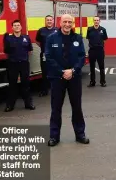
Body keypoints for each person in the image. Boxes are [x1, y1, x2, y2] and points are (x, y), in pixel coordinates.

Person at [45, 14, 89, 147]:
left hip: (74, 78)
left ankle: (80, 134)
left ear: (73, 23)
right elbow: (48, 56)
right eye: (65, 21)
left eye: (70, 22)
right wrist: (62, 71)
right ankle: (54, 136)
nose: (67, 24)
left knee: (77, 107)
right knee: (56, 108)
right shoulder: (51, 38)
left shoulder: (77, 38)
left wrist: (73, 70)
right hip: (57, 78)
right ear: (60, 22)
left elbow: (82, 56)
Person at [3, 19, 35, 112]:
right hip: (13, 64)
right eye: (15, 25)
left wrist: (23, 58)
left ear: (21, 27)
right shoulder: (8, 38)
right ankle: (10, 105)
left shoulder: (26, 37)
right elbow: (6, 51)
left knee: (26, 84)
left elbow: (30, 50)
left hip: (24, 64)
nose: (17, 27)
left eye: (18, 25)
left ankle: (28, 104)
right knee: (12, 85)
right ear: (12, 28)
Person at [36, 15, 58, 96]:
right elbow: (38, 42)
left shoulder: (57, 30)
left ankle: (56, 90)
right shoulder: (41, 30)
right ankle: (44, 91)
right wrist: (45, 48)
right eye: (47, 20)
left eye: (50, 20)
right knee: (45, 73)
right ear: (45, 21)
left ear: (53, 21)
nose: (49, 21)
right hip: (44, 55)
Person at [87, 16, 108, 87]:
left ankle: (103, 82)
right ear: (93, 21)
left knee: (101, 67)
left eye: (97, 20)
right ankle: (92, 82)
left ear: (99, 21)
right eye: (95, 20)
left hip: (100, 51)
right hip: (92, 51)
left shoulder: (103, 29)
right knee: (92, 67)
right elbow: (88, 38)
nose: (96, 21)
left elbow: (105, 39)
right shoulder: (89, 29)